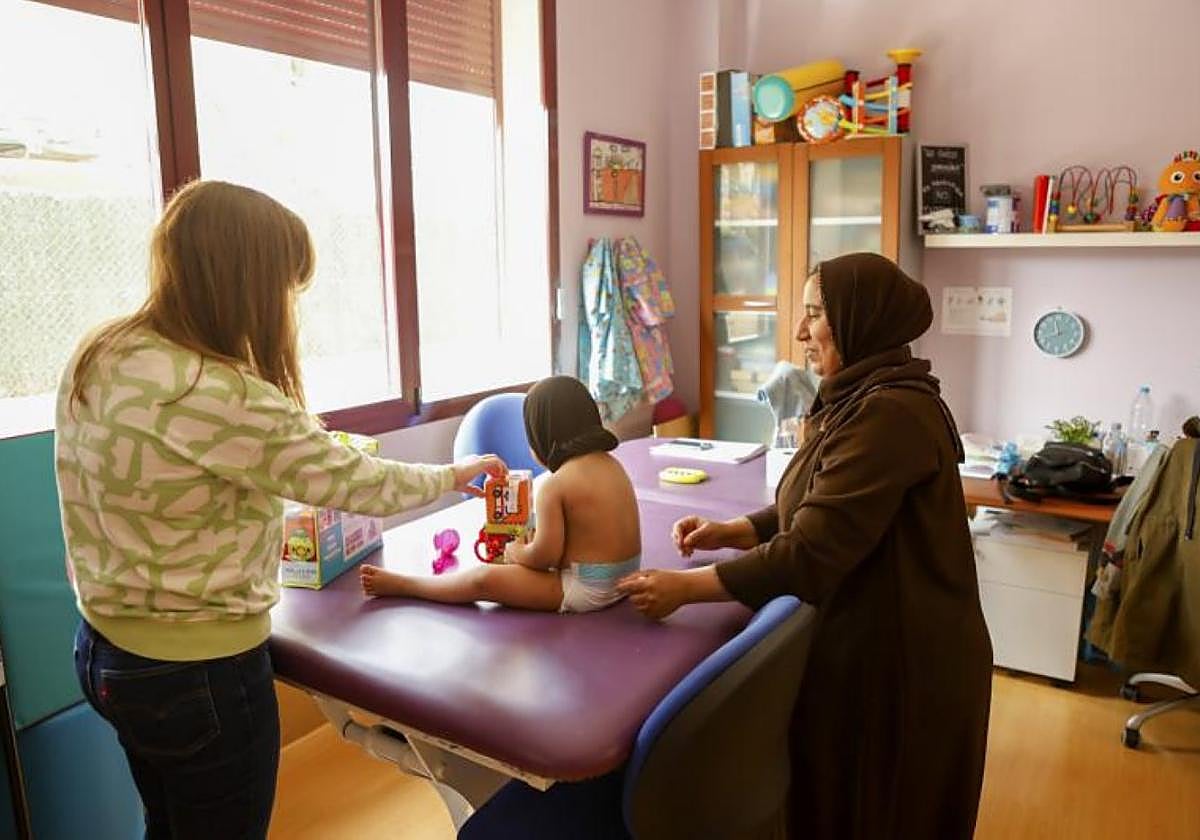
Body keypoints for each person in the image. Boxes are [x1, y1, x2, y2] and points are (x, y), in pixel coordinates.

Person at [57, 180, 504, 839]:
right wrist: (453, 474)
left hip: (104, 651)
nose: (288, 309)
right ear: (247, 284)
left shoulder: (103, 352)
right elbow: (356, 481)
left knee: (167, 821)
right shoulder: (219, 392)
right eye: (287, 291)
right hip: (197, 672)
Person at [618, 252, 993, 839]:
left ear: (859, 320)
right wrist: (738, 531)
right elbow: (825, 502)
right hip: (883, 638)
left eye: (815, 315)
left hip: (904, 663)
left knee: (881, 812)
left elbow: (812, 552)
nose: (799, 332)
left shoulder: (887, 415)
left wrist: (684, 589)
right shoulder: (866, 394)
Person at [362, 375, 642, 613]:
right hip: (625, 579)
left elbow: (544, 557)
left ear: (543, 436)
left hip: (589, 590)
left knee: (484, 579)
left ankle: (405, 585)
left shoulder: (554, 485)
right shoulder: (613, 465)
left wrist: (516, 550)